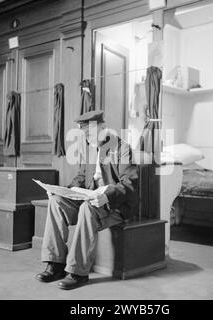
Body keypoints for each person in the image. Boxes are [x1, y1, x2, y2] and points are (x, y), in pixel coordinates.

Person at [35, 110, 139, 290]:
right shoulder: (89, 147)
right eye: (84, 134)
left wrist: (106, 195)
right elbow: (82, 178)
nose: (87, 138)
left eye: (90, 133)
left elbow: (129, 185)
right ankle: (56, 264)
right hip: (89, 199)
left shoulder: (122, 148)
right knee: (56, 202)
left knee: (86, 208)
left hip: (113, 206)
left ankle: (78, 272)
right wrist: (63, 191)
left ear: (103, 128)